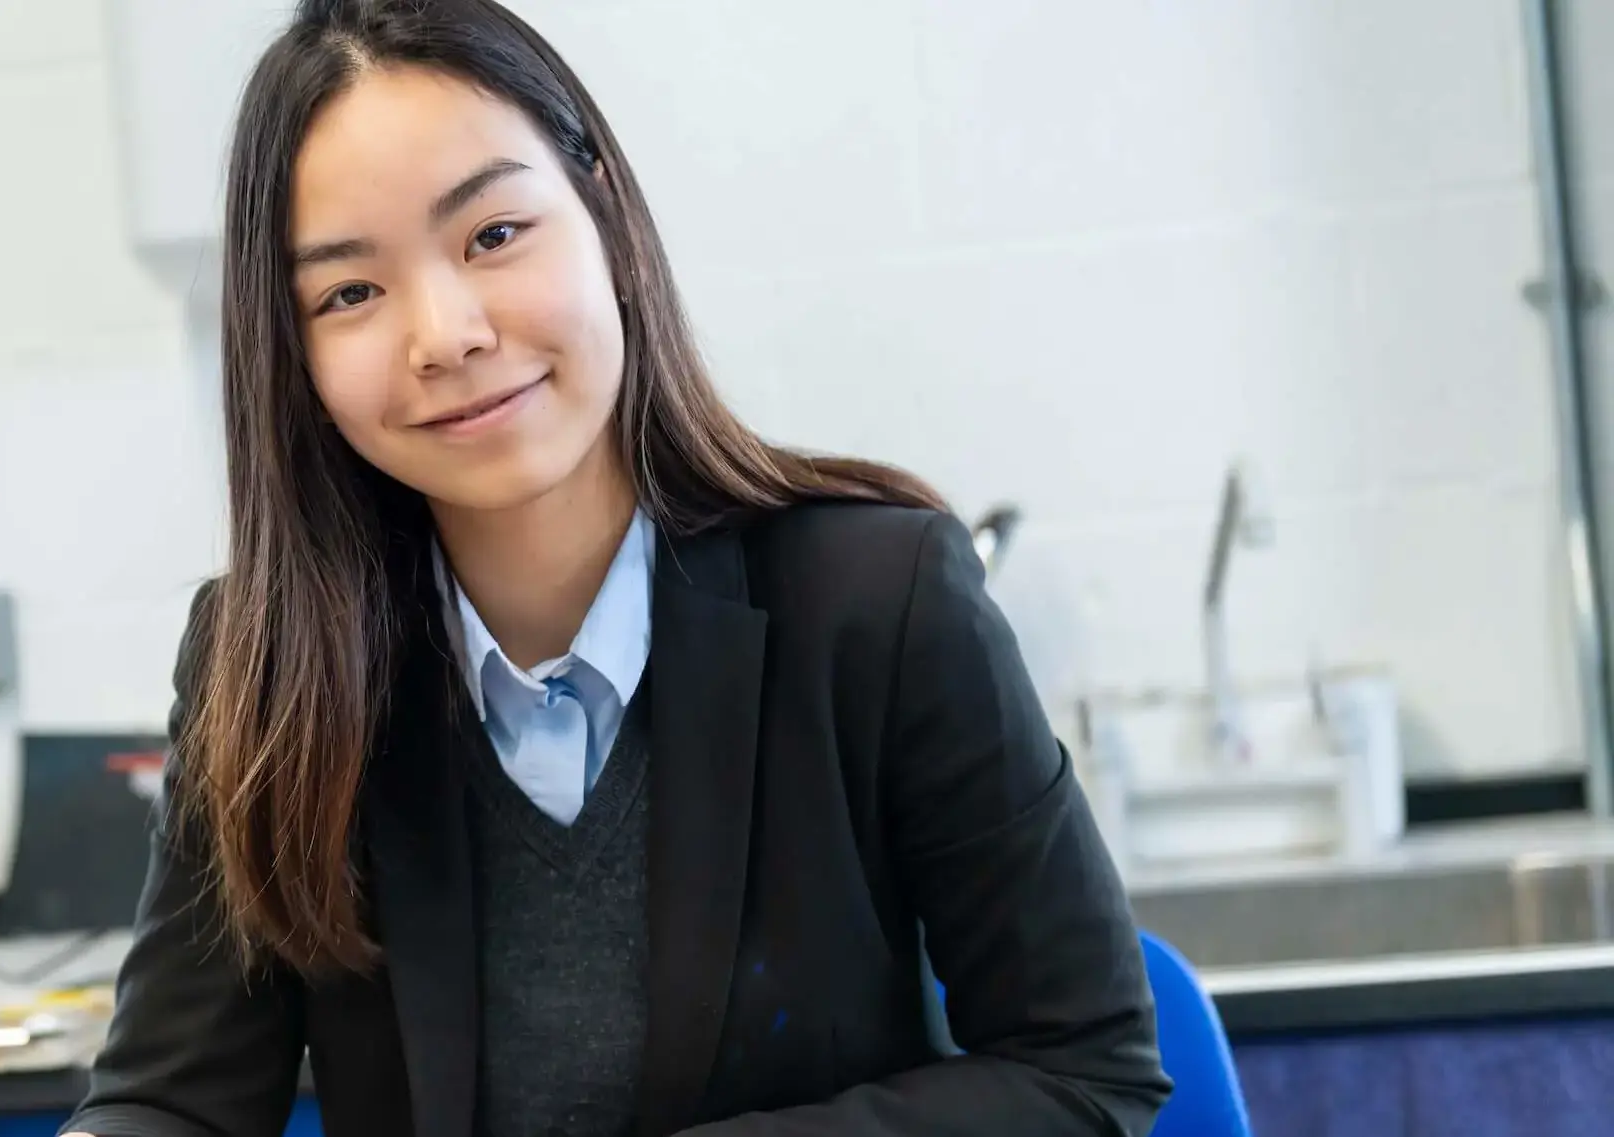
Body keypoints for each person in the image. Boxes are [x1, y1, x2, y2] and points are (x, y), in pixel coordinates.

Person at [65, 1, 1172, 1135]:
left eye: (492, 235)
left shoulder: (879, 602)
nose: (442, 334)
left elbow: (1081, 1068)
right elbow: (172, 1103)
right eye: (349, 293)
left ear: (610, 225)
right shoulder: (269, 667)